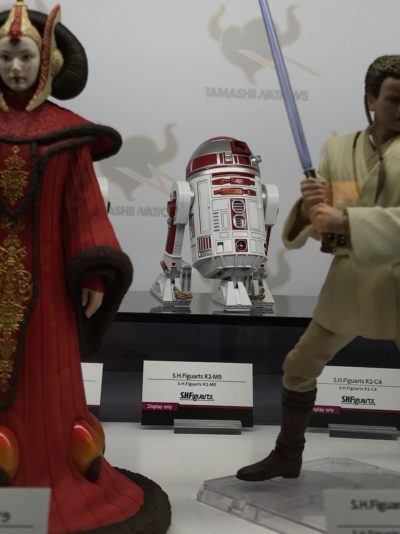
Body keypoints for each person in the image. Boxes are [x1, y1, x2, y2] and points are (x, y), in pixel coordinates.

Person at [0, 1, 170, 532]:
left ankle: (49, 479)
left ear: (47, 61)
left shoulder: (67, 136)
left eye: (26, 56)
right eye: (5, 57)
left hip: (49, 290)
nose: (15, 67)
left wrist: (95, 271)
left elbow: (84, 209)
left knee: (50, 384)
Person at [236, 54, 400, 482]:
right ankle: (287, 454)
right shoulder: (340, 149)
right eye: (394, 99)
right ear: (370, 100)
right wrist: (313, 209)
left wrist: (347, 221)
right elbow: (328, 223)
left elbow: (350, 219)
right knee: (300, 365)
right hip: (350, 282)